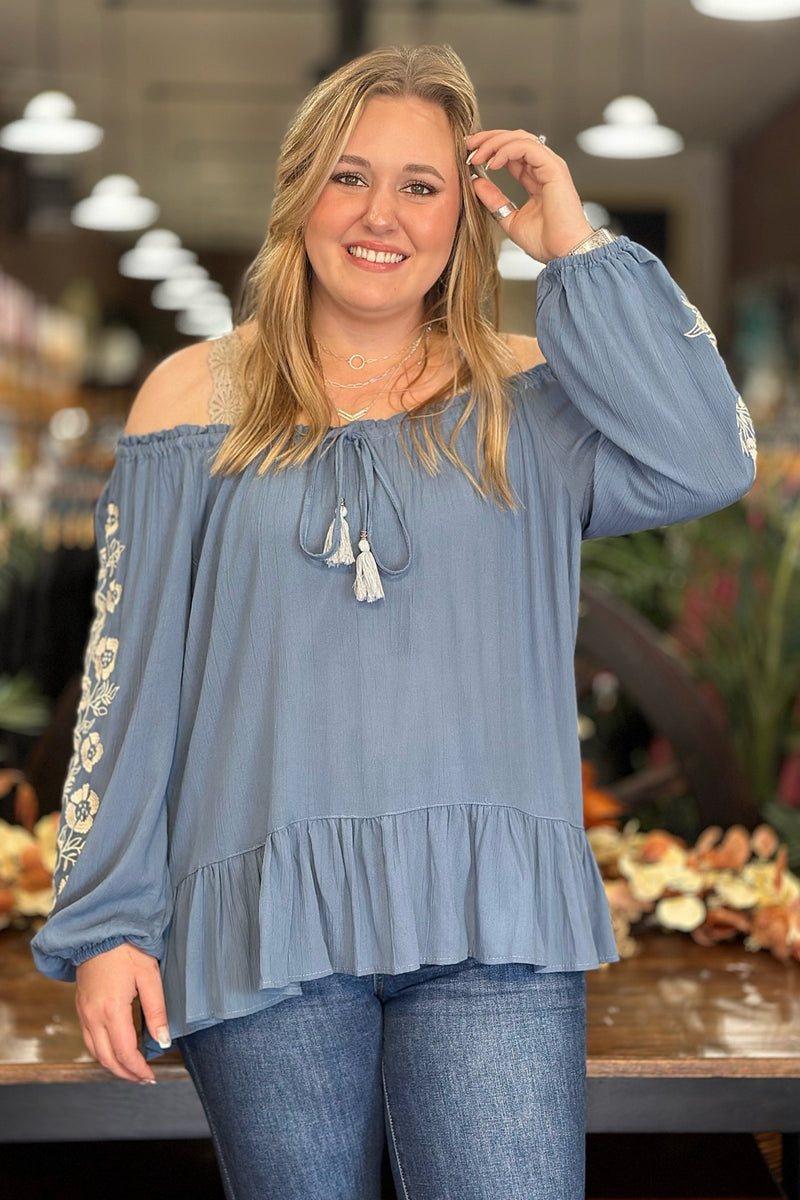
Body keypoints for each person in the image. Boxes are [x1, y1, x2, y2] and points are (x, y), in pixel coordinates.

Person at [32, 43, 756, 1200]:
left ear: (463, 222)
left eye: (421, 186)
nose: (382, 216)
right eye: (347, 175)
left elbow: (709, 457)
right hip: (261, 916)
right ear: (299, 194)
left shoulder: (533, 398)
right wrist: (109, 921)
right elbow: (129, 680)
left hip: (493, 919)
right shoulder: (195, 396)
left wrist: (573, 245)